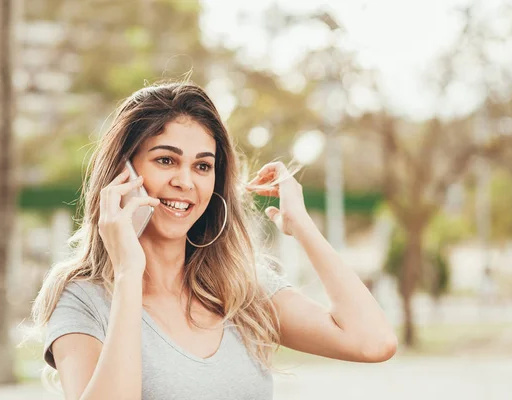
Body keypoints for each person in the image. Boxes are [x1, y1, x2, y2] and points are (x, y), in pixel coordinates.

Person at [30, 82, 397, 400]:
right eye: (165, 160)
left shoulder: (241, 289)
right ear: (123, 173)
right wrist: (128, 272)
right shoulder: (82, 299)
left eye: (202, 166)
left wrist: (302, 226)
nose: (186, 182)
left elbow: (373, 342)